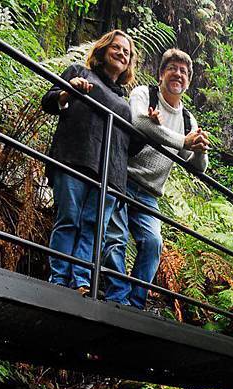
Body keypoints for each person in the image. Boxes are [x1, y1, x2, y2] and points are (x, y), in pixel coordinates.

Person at [104, 48, 210, 309]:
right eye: (173, 68)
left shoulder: (187, 119)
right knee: (115, 238)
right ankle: (117, 297)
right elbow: (140, 123)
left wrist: (200, 151)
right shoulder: (144, 94)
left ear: (188, 82)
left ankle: (135, 303)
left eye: (184, 72)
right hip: (121, 178)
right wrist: (183, 141)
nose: (178, 74)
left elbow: (196, 166)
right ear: (162, 73)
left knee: (153, 243)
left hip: (149, 193)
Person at [41, 29, 140, 292]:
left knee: (94, 227)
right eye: (116, 48)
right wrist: (68, 93)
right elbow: (49, 101)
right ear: (103, 50)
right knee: (69, 218)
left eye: (126, 52)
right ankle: (60, 279)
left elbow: (131, 145)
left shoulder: (125, 102)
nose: (121, 53)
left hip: (110, 173)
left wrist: (151, 125)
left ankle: (81, 281)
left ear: (129, 63)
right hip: (75, 157)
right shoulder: (79, 72)